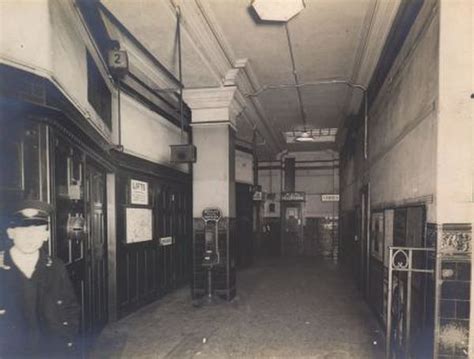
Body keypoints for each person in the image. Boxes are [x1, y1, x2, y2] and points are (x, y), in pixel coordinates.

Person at [0, 202, 80, 358]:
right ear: (10, 233)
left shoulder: (56, 266)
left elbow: (70, 306)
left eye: (37, 230)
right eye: (23, 230)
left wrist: (68, 337)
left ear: (46, 236)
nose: (30, 237)